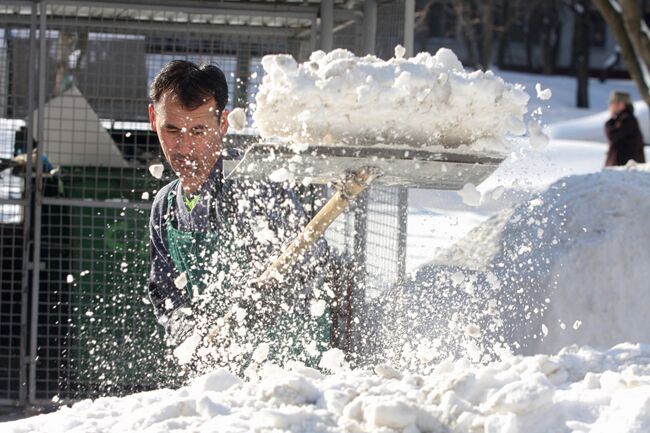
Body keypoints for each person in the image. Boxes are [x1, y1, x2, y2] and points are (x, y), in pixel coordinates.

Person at [146, 60, 329, 370]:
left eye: (199, 130)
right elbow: (166, 295)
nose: (185, 146)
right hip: (215, 375)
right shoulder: (165, 208)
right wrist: (190, 333)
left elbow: (309, 266)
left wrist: (253, 310)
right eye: (172, 129)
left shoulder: (256, 189)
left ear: (223, 124)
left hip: (285, 366)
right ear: (153, 119)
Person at [605, 91, 646, 167]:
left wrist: (611, 120)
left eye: (613, 103)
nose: (610, 106)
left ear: (621, 104)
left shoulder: (627, 120)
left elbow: (612, 135)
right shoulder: (623, 119)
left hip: (626, 169)